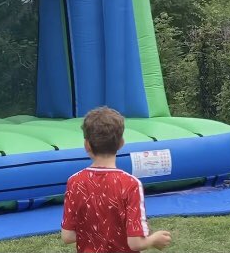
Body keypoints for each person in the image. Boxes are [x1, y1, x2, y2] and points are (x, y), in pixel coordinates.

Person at [61, 106, 172, 253]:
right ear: (121, 143)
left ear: (86, 145)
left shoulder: (74, 181)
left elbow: (67, 236)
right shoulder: (130, 184)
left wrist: (95, 232)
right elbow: (135, 243)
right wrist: (154, 239)